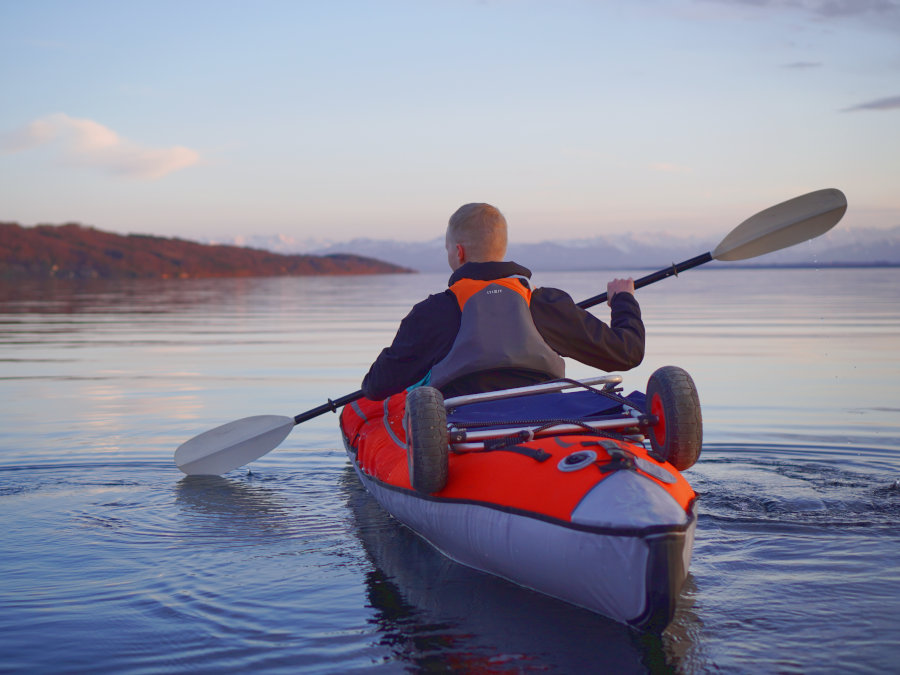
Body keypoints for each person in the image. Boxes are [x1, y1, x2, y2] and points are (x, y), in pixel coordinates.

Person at [361, 203, 644, 401]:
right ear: (501, 247)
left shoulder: (432, 313)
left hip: (464, 430)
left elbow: (376, 387)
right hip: (547, 422)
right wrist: (623, 300)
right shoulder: (545, 303)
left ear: (458, 252)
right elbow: (626, 352)